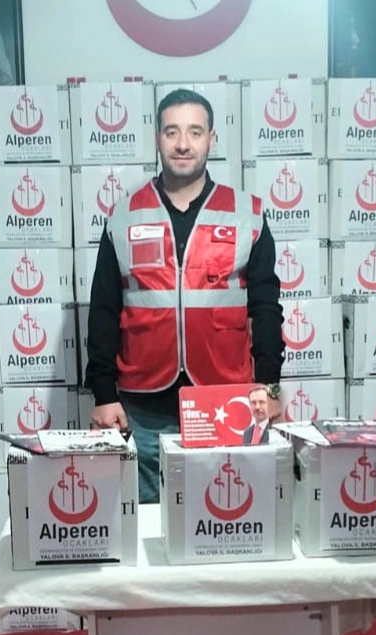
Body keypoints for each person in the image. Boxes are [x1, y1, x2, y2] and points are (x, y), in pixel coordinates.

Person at [85, 89, 285, 504]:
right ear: (157, 138)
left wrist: (270, 387)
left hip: (226, 403)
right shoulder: (124, 216)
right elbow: (104, 309)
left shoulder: (246, 214)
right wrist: (103, 394)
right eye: (172, 131)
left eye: (195, 132)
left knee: (225, 517)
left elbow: (266, 308)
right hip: (142, 409)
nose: (182, 143)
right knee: (148, 527)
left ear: (212, 139)